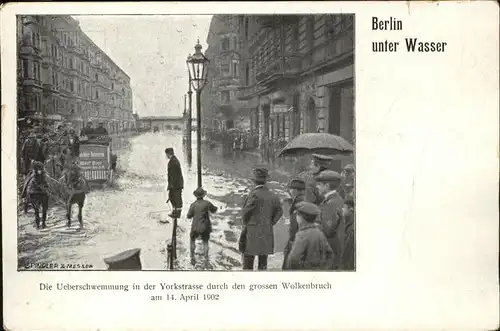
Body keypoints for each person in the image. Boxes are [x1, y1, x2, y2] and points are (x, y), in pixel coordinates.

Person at [240, 166, 283, 270]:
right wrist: (270, 222)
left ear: (254, 182)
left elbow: (245, 213)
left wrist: (246, 224)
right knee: (263, 263)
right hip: (266, 231)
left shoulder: (253, 195)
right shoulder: (273, 195)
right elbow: (279, 211)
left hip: (252, 232)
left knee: (248, 263)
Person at [285, 201, 335, 270]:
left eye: (297, 215)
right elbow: (330, 254)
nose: (296, 217)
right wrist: (325, 268)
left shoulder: (301, 235)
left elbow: (293, 259)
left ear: (302, 217)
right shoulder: (319, 233)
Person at [315, 170, 345, 270]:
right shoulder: (337, 199)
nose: (317, 187)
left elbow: (328, 230)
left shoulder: (330, 203)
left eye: (319, 184)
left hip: (330, 250)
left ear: (327, 186)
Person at [186, 187, 218, 266]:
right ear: (203, 195)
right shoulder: (207, 203)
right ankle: (206, 258)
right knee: (205, 242)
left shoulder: (193, 205)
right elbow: (214, 210)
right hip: (205, 227)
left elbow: (188, 216)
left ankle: (192, 256)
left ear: (196, 196)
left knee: (192, 240)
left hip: (195, 227)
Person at [282, 178, 306, 270]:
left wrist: (292, 240)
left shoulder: (299, 202)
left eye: (290, 189)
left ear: (295, 190)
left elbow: (297, 224)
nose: (289, 191)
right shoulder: (302, 200)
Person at [165, 147, 184, 218]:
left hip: (176, 185)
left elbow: (174, 175)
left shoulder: (173, 162)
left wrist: (171, 185)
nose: (166, 156)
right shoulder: (173, 160)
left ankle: (177, 213)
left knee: (176, 198)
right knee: (172, 197)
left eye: (166, 154)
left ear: (168, 154)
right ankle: (175, 211)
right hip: (176, 184)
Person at [341, 192, 355, 270]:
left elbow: (347, 252)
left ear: (351, 209)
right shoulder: (349, 223)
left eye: (344, 207)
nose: (342, 209)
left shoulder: (352, 229)